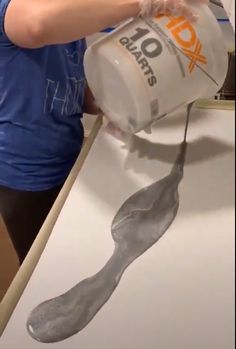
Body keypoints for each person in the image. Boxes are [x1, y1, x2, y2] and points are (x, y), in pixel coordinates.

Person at [0, 0, 206, 264]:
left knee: (75, 255)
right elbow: (35, 27)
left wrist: (124, 100)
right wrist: (142, 3)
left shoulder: (63, 17)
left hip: (70, 158)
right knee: (45, 266)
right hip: (27, 175)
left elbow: (83, 96)